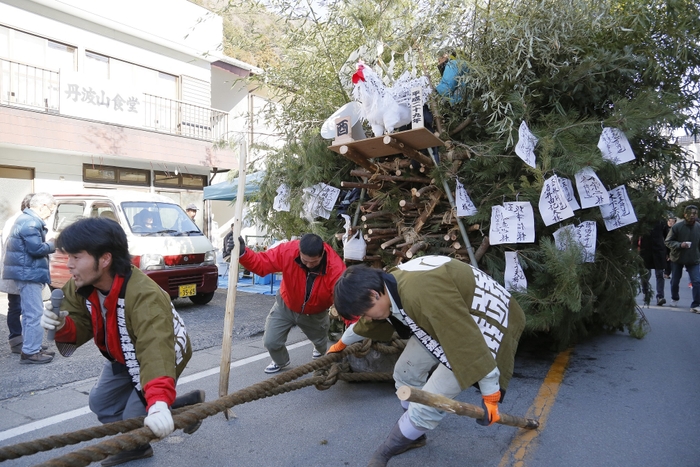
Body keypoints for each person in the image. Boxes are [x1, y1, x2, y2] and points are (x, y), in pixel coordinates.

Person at [40, 218, 205, 466]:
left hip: (165, 351)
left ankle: (138, 444)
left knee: (134, 414)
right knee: (101, 403)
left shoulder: (144, 295)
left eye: (76, 256)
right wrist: (62, 325)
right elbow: (80, 324)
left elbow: (155, 351)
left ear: (104, 259)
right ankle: (180, 409)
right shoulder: (82, 284)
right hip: (122, 354)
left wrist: (158, 400)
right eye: (68, 256)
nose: (69, 264)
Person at [331, 256, 525, 467]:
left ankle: (386, 451)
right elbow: (365, 326)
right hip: (446, 319)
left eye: (364, 313)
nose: (366, 318)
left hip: (483, 318)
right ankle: (415, 435)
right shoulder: (389, 286)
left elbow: (468, 345)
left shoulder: (421, 294)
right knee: (405, 373)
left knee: (429, 402)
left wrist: (491, 396)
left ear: (373, 294)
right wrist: (341, 343)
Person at [238, 233, 346, 373]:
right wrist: (242, 253)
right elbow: (262, 263)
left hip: (315, 312)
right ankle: (281, 361)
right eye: (305, 261)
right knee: (271, 342)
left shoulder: (336, 269)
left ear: (322, 254)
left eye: (313, 263)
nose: (308, 265)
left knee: (320, 343)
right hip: (286, 304)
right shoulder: (288, 251)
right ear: (299, 251)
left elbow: (344, 301)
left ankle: (319, 350)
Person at [2, 192, 57, 364]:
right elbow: (36, 249)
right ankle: (31, 352)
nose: (51, 213)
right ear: (42, 206)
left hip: (24, 272)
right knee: (34, 313)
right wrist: (53, 244)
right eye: (51, 209)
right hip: (29, 273)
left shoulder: (25, 219)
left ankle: (30, 347)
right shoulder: (31, 222)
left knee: (28, 313)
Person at [0, 193, 34, 354]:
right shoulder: (22, 221)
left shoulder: (16, 219)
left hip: (18, 269)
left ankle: (25, 342)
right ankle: (18, 342)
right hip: (19, 270)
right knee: (18, 307)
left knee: (21, 307)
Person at [665, 205, 700, 312]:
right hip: (677, 258)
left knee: (697, 281)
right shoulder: (677, 227)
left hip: (693, 259)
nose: (692, 216)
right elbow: (668, 241)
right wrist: (680, 245)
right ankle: (675, 298)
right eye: (690, 213)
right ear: (685, 215)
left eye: (695, 213)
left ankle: (696, 304)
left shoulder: (698, 227)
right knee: (675, 281)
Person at [637, 220, 667, 306]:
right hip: (645, 251)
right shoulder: (643, 220)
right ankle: (645, 292)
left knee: (660, 274)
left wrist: (668, 252)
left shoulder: (662, 221)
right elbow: (636, 236)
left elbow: (667, 237)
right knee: (646, 274)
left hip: (659, 251)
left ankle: (660, 296)